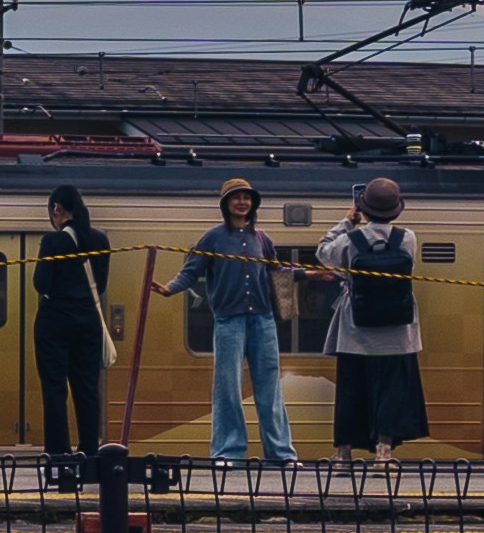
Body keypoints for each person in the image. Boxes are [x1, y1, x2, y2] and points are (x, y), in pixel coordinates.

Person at [163, 176, 293, 466]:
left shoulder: (262, 239)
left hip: (263, 320)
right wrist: (170, 288)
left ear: (253, 204)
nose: (242, 202)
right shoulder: (213, 238)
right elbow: (190, 271)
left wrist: (310, 275)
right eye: (236, 198)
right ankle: (228, 452)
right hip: (228, 321)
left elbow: (278, 272)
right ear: (225, 204)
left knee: (270, 388)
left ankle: (281, 454)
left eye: (247, 198)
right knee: (227, 387)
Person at [314, 177, 428, 459]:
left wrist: (347, 222)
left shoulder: (348, 240)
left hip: (355, 332)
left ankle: (344, 455)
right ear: (396, 211)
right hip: (397, 333)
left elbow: (323, 252)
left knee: (352, 391)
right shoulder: (408, 238)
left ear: (363, 209)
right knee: (391, 392)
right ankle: (383, 453)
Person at [32, 185, 114, 456]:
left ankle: (59, 455)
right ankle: (89, 452)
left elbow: (40, 283)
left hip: (53, 323)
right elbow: (100, 285)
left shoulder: (53, 242)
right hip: (88, 323)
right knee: (87, 390)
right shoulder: (100, 240)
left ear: (57, 208)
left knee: (55, 390)